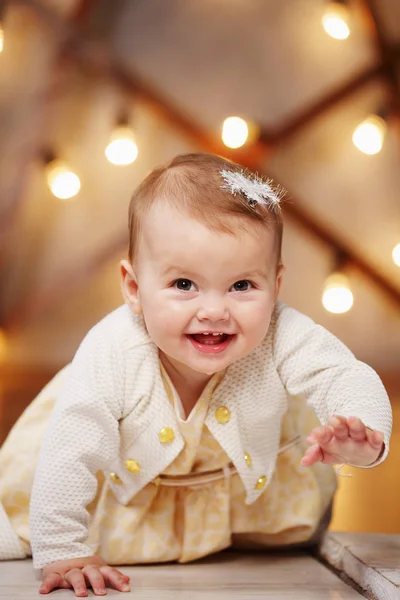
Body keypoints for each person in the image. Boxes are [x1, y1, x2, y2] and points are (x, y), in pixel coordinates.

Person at [0, 153, 392, 597]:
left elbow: (342, 374)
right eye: (184, 284)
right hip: (122, 500)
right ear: (134, 288)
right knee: (17, 534)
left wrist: (364, 435)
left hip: (238, 499)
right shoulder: (114, 349)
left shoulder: (283, 332)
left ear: (275, 285)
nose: (213, 311)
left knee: (290, 547)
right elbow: (71, 447)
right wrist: (63, 549)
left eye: (242, 286)